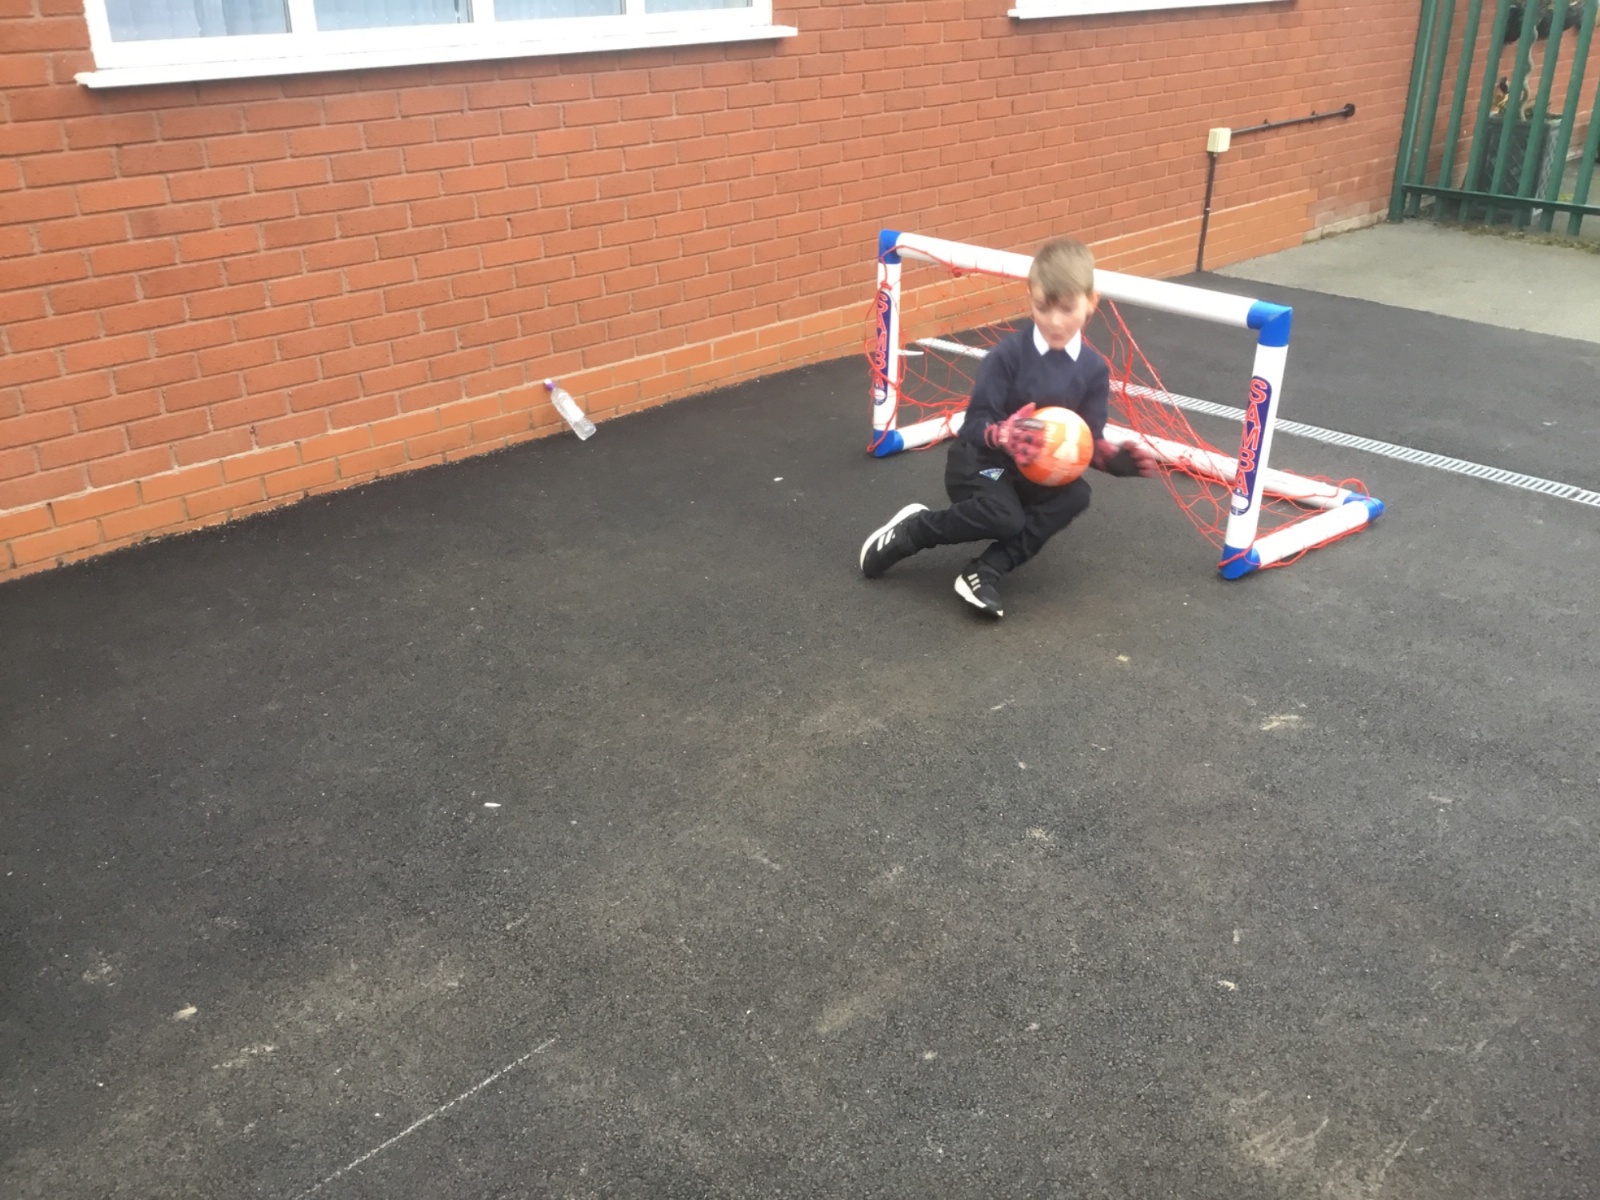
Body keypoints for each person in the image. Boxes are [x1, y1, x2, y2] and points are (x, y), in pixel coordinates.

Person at [858, 236, 1158, 618]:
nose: (1054, 321)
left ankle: (985, 571)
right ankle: (914, 530)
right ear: (1030, 297)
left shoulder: (1093, 370)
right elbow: (973, 424)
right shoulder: (1008, 356)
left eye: (1067, 309)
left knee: (1076, 495)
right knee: (1004, 516)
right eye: (1043, 307)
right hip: (980, 461)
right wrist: (1002, 434)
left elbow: (1088, 442)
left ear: (1091, 302)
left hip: (1031, 473)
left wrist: (1115, 463)